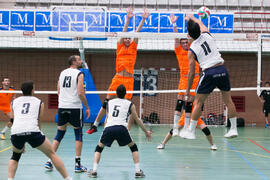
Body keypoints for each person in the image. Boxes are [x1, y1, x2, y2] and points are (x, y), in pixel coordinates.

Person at [86, 8, 149, 134]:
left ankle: (127, 130)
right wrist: (128, 18)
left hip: (129, 80)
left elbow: (137, 32)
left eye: (128, 39)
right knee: (106, 102)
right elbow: (123, 32)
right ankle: (95, 125)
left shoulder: (133, 47)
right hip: (118, 78)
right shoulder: (119, 46)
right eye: (125, 38)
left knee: (130, 107)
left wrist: (143, 19)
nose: (126, 39)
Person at [184, 14, 238, 139]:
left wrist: (187, 91)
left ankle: (191, 131)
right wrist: (192, 17)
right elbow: (200, 23)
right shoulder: (207, 34)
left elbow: (192, 73)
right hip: (222, 70)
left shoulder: (192, 50)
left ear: (189, 35)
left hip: (209, 72)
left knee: (198, 102)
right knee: (228, 100)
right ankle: (234, 129)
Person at [8, 80, 72, 180]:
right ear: (32, 90)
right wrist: (38, 135)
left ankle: (10, 179)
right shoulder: (39, 102)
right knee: (52, 154)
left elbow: (13, 120)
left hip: (16, 132)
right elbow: (38, 122)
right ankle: (67, 178)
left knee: (15, 156)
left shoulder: (13, 102)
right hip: (33, 131)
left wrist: (21, 142)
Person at [87, 85, 152, 178]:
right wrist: (146, 132)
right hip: (122, 128)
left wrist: (95, 125)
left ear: (116, 94)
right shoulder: (130, 104)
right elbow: (137, 119)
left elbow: (101, 114)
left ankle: (94, 170)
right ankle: (138, 171)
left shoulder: (109, 102)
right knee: (133, 147)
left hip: (109, 128)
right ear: (125, 94)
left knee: (99, 148)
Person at [44, 55, 90, 173]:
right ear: (74, 62)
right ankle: (77, 165)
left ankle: (49, 161)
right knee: (78, 134)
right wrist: (87, 107)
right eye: (79, 59)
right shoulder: (79, 74)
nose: (81, 61)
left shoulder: (62, 73)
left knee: (59, 134)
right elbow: (80, 93)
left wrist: (64, 100)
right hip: (74, 107)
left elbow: (58, 90)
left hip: (62, 106)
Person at [169, 14, 201, 137]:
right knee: (179, 102)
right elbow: (176, 38)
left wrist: (190, 21)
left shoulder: (193, 49)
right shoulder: (179, 51)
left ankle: (187, 129)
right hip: (184, 79)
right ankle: (175, 128)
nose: (184, 44)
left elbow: (193, 37)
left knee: (189, 105)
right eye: (182, 42)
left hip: (195, 78)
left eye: (186, 42)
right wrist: (174, 24)